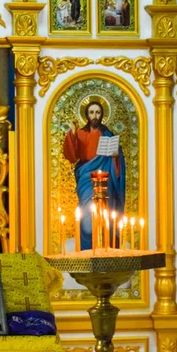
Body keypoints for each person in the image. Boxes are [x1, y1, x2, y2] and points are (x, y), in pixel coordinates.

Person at [63, 100, 126, 250]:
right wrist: (71, 135)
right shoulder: (80, 133)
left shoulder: (108, 134)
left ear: (102, 114)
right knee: (87, 213)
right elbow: (71, 156)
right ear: (87, 114)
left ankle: (106, 246)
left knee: (106, 210)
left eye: (97, 112)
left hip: (106, 181)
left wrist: (116, 156)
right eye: (92, 112)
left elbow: (116, 162)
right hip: (86, 178)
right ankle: (87, 248)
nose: (94, 115)